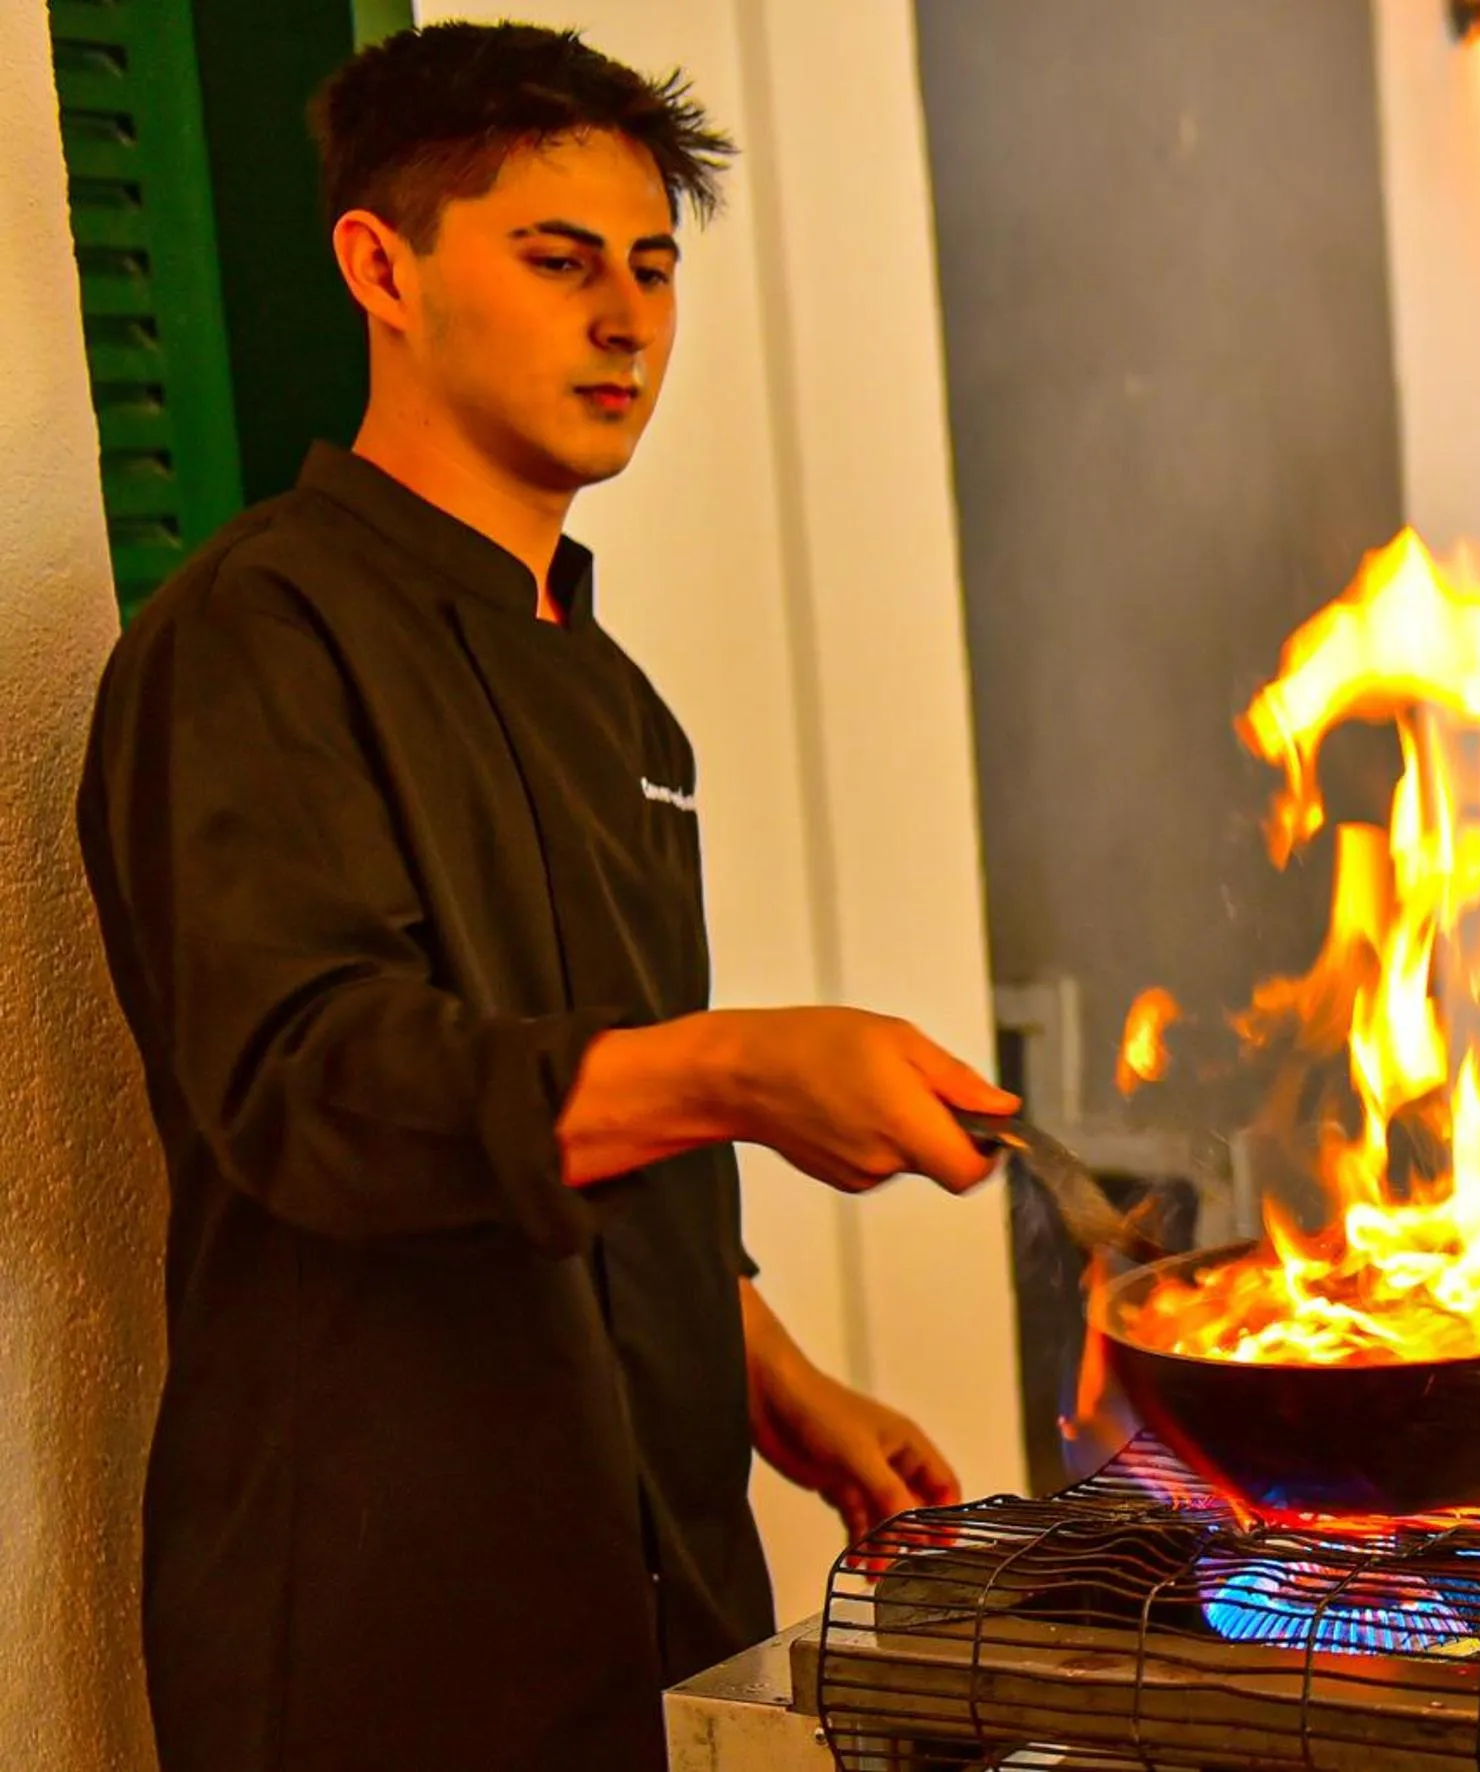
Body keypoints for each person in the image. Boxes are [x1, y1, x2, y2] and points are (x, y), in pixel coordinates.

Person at [75, 25, 1013, 1772]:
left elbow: (611, 1116)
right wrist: (743, 1068)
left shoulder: (620, 706)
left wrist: (776, 1382)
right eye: (559, 259)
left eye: (653, 268)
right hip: (381, 1617)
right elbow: (314, 1087)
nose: (627, 320)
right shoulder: (254, 635)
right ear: (383, 268)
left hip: (652, 1581)